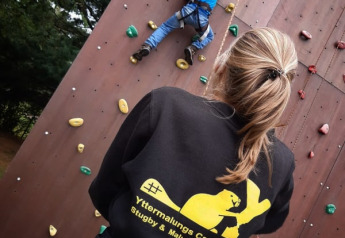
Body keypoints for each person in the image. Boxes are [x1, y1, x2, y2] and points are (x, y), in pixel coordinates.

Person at [89, 27, 298, 238]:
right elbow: (268, 222)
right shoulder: (281, 163)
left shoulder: (166, 105)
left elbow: (105, 189)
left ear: (221, 66)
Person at [132, 0, 217, 65]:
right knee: (209, 36)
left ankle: (147, 46)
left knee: (165, 28)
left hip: (187, 11)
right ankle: (193, 48)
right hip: (201, 20)